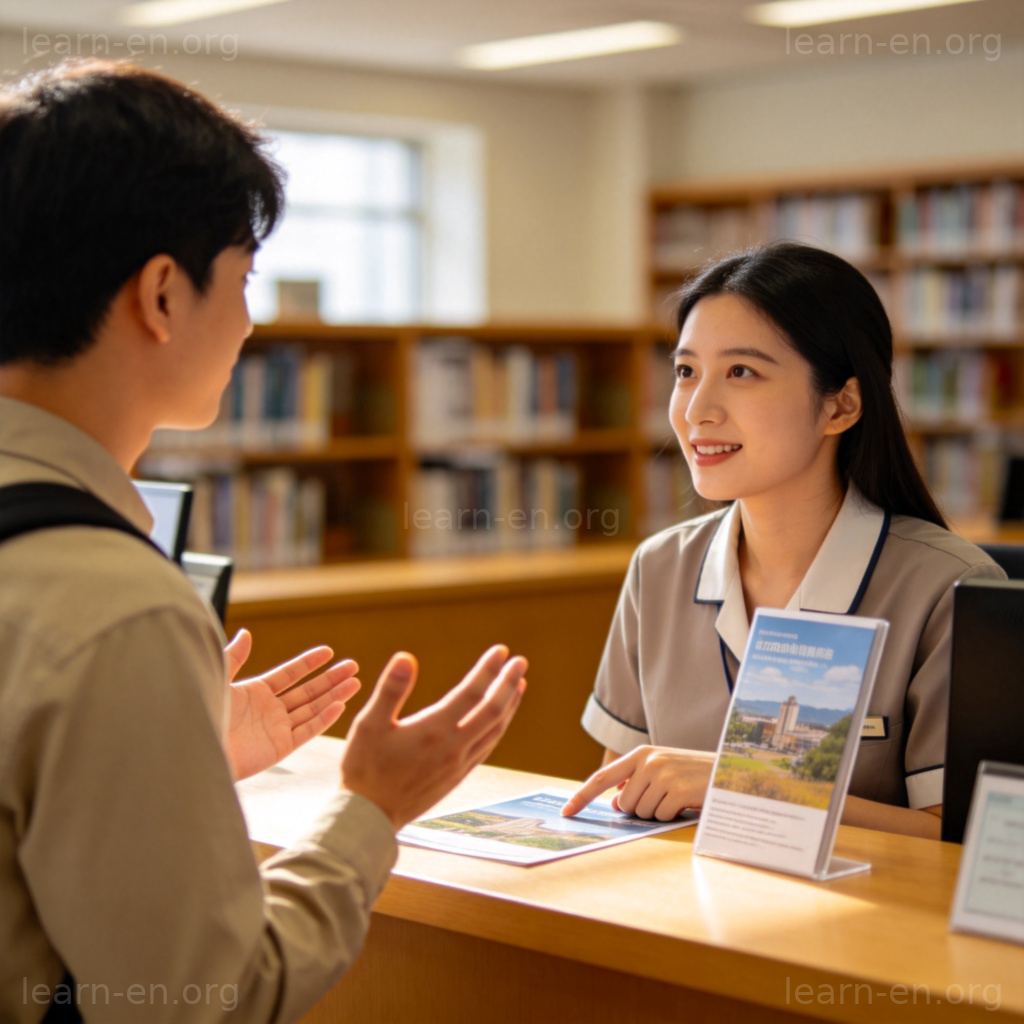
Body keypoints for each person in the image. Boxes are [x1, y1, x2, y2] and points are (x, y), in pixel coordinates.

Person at [0, 60, 526, 1023]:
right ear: (162, 295)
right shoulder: (116, 608)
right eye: (243, 280)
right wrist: (369, 810)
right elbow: (201, 1001)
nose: (250, 322)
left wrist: (177, 745)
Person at [562, 241, 1003, 839]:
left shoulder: (948, 587)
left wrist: (734, 785)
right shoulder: (658, 569)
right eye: (687, 372)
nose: (697, 410)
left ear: (841, 405)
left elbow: (963, 839)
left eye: (741, 372)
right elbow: (621, 795)